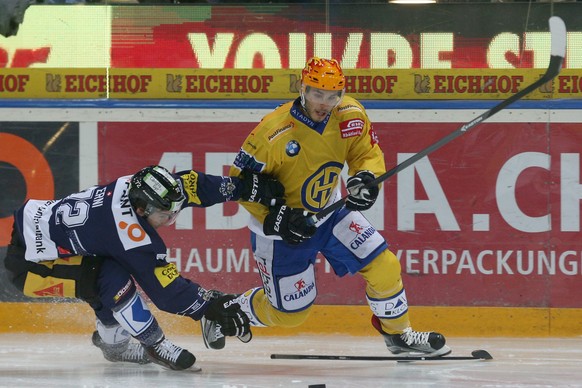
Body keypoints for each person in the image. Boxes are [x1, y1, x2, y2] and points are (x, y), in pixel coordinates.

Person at [202, 57, 451, 357]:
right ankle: (225, 310)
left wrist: (366, 179)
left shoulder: (349, 115)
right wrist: (276, 218)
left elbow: (366, 153)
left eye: (333, 95)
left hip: (330, 213)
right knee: (290, 314)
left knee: (385, 267)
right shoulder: (273, 133)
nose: (324, 103)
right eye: (317, 93)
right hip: (281, 232)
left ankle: (399, 336)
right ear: (301, 88)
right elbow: (239, 186)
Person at [4, 165, 284, 370]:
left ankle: (113, 346)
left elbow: (193, 185)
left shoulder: (142, 188)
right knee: (108, 276)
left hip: (36, 232)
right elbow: (166, 292)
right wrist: (207, 307)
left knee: (103, 274)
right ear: (141, 210)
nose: (170, 218)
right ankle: (155, 345)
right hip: (32, 266)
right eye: (165, 215)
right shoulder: (129, 234)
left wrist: (245, 188)